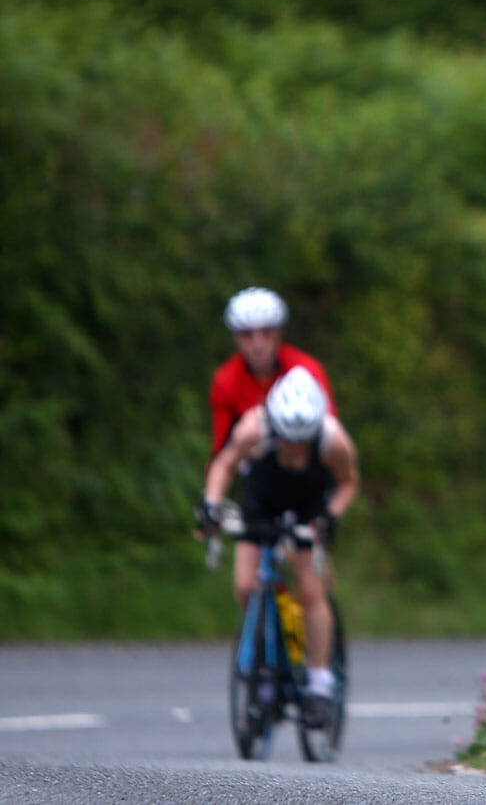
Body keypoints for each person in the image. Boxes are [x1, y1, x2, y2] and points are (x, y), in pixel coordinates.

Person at [197, 366, 360, 729]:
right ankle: (265, 660)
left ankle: (319, 681)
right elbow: (224, 464)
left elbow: (348, 483)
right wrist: (211, 504)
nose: (295, 447)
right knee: (245, 584)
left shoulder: (334, 442)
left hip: (310, 505)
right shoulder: (253, 429)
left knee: (310, 590)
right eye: (287, 438)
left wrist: (330, 517)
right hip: (263, 501)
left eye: (303, 440)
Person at [208, 287, 338, 460]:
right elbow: (221, 448)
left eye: (266, 332)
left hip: (308, 459)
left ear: (280, 332)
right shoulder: (225, 380)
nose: (258, 344)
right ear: (235, 338)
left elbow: (331, 431)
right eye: (247, 335)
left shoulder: (307, 369)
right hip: (256, 464)